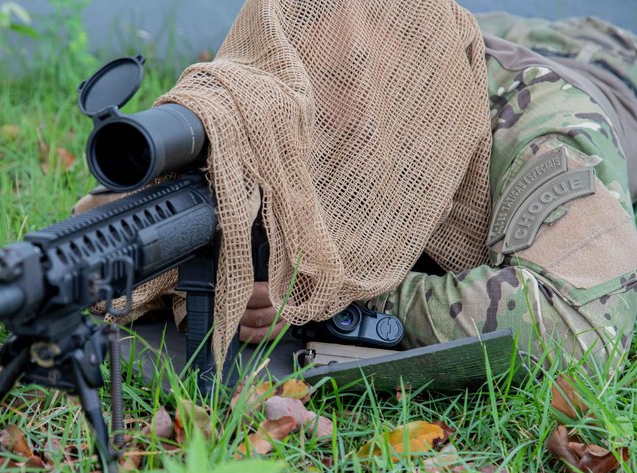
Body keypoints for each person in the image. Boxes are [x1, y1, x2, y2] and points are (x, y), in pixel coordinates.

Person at [240, 14, 637, 373]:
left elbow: (575, 329)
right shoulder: (353, 55)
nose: (319, 109)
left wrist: (335, 296)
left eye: (345, 76)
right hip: (515, 30)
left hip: (618, 65)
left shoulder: (546, 129)